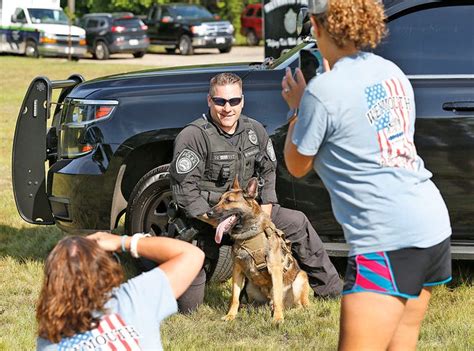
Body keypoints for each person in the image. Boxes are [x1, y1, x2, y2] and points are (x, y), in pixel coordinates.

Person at [281, 0, 452, 350]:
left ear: (316, 24)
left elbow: (297, 166)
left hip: (386, 237)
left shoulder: (323, 91)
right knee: (401, 343)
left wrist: (298, 107)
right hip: (431, 223)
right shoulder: (392, 72)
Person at [169, 72, 343, 312]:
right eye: (220, 101)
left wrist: (268, 206)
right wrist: (217, 222)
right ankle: (154, 259)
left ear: (243, 100)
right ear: (209, 101)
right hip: (210, 220)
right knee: (190, 307)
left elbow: (268, 170)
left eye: (234, 101)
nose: (227, 108)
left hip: (248, 216)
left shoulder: (255, 131)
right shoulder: (193, 136)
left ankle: (332, 292)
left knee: (297, 222)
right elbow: (186, 193)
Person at [36, 232, 204, 350]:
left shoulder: (51, 339)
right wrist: (122, 242)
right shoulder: (134, 298)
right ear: (106, 269)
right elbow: (191, 254)